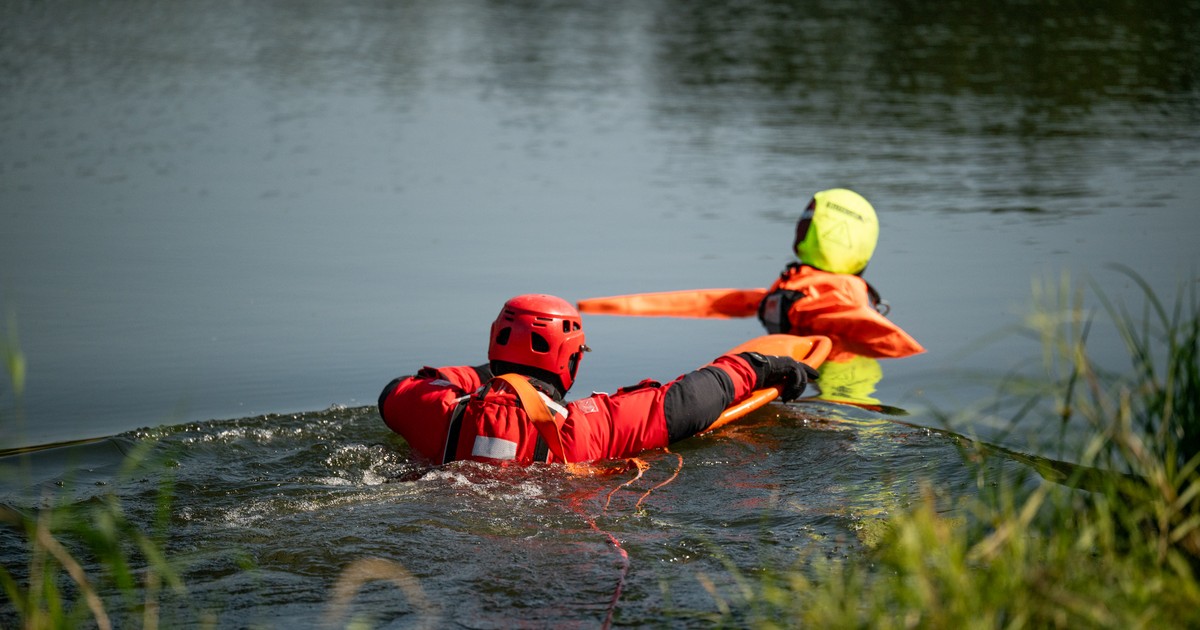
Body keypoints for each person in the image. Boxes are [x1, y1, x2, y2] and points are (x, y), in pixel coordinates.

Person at [378, 294, 818, 466]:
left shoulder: (438, 412)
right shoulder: (584, 429)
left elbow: (394, 389)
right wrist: (758, 365)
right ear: (569, 361)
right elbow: (689, 402)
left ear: (495, 347)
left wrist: (487, 370)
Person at [756, 188, 925, 361]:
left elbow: (887, 341)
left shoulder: (830, 293)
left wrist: (915, 355)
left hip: (841, 377)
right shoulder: (798, 282)